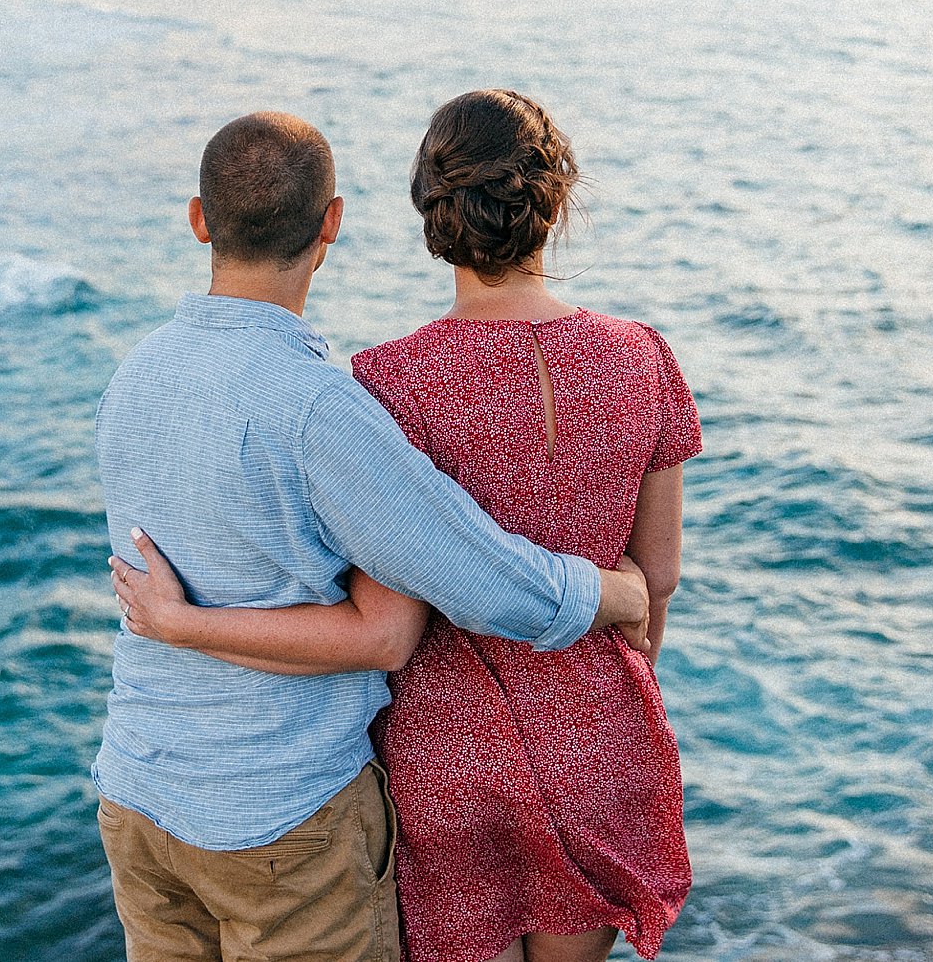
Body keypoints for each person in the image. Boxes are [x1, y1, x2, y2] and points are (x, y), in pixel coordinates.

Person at [116, 90, 696, 962]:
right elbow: (658, 577)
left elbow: (397, 617)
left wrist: (184, 622)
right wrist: (616, 635)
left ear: (435, 213)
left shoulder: (384, 382)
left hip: (442, 755)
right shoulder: (642, 355)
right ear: (555, 204)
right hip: (598, 730)